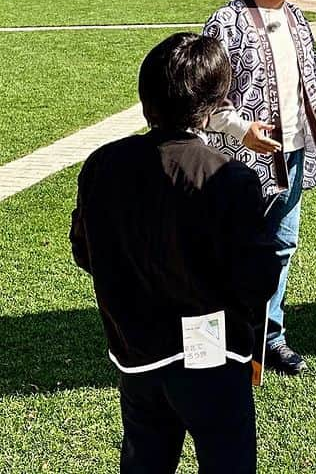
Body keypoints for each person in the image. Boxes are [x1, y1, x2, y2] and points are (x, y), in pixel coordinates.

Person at [70, 33, 279, 474]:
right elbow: (258, 280)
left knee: (145, 459)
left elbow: (85, 252)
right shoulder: (229, 178)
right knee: (227, 459)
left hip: (136, 348)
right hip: (212, 355)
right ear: (214, 104)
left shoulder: (101, 165)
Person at [202, 0, 316, 376]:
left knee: (281, 247)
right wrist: (242, 131)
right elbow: (207, 97)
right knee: (234, 249)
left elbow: (312, 79)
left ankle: (269, 337)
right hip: (240, 164)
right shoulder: (224, 24)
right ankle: (225, 337)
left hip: (293, 154)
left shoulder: (297, 17)